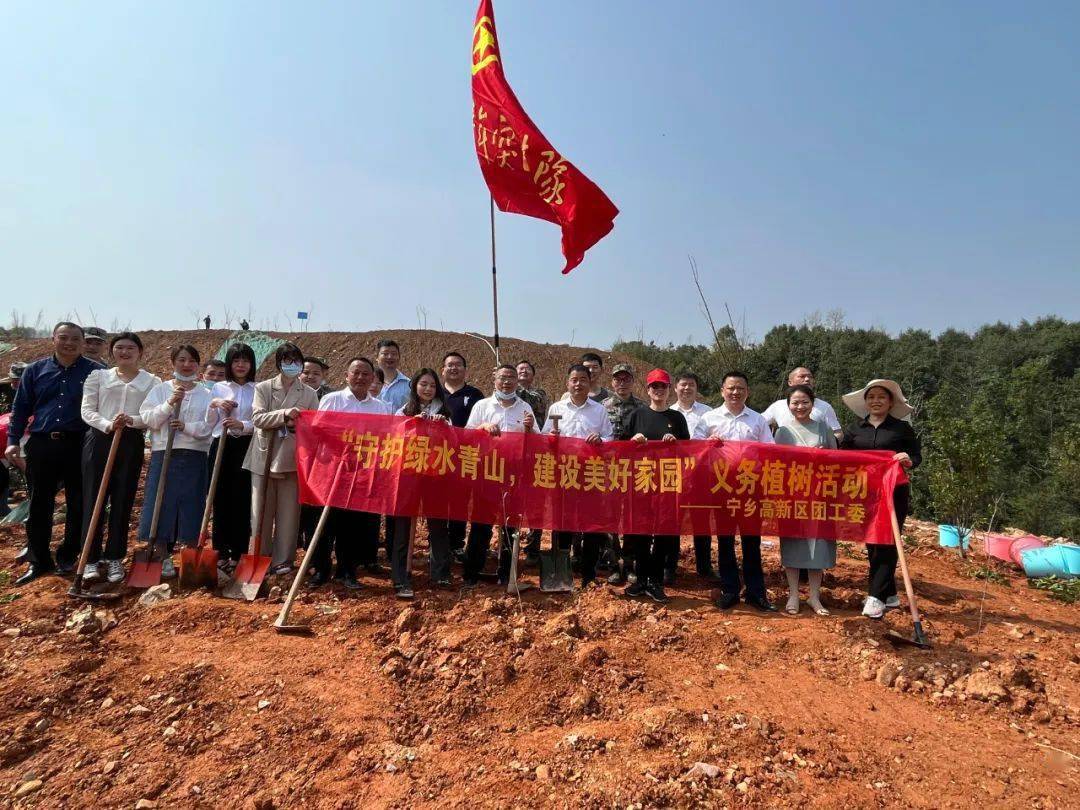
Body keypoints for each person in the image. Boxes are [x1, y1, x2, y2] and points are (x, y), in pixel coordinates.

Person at [6, 323, 102, 585]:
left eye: (75, 339)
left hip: (80, 445)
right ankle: (39, 561)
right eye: (63, 338)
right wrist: (13, 441)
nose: (69, 343)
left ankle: (68, 556)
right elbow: (21, 407)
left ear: (83, 342)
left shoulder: (97, 372)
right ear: (53, 339)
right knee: (39, 504)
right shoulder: (35, 370)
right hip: (42, 444)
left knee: (78, 503)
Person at [79, 332, 159, 583]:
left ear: (140, 352)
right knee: (94, 498)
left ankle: (115, 558)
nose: (125, 352)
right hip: (100, 440)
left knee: (123, 499)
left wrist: (132, 421)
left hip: (130, 442)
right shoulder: (99, 377)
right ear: (112, 351)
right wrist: (107, 424)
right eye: (120, 347)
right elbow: (87, 409)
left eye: (130, 348)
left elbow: (153, 414)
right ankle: (90, 559)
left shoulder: (152, 381)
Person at [840, 378, 921, 619]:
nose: (876, 401)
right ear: (866, 402)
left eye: (881, 397)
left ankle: (875, 597)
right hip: (865, 493)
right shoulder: (855, 429)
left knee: (888, 540)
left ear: (890, 402)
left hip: (894, 492)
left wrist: (908, 459)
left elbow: (916, 456)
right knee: (873, 542)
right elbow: (841, 457)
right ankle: (890, 594)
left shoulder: (901, 429)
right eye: (871, 397)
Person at [138, 345, 218, 578]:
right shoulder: (161, 390)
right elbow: (150, 419)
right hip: (165, 452)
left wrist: (186, 427)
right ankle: (161, 554)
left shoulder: (206, 394)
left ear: (197, 365)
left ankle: (190, 553)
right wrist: (170, 403)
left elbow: (208, 427)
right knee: (161, 502)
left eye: (192, 361)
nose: (186, 365)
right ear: (173, 362)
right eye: (182, 360)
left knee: (192, 502)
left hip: (194, 454)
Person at [702, 371, 777, 612]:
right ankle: (730, 590)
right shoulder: (709, 418)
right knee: (724, 540)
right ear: (722, 390)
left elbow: (770, 450)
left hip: (750, 488)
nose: (735, 392)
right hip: (721, 487)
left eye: (740, 388)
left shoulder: (757, 420)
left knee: (751, 541)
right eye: (731, 388)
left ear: (748, 392)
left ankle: (756, 593)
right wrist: (707, 443)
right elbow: (693, 449)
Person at [314, 357, 391, 588]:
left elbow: (386, 439)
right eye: (355, 373)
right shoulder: (332, 400)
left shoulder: (380, 407)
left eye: (365, 374)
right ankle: (321, 570)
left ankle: (347, 571)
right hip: (331, 471)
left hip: (361, 474)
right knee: (326, 524)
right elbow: (318, 431)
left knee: (353, 525)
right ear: (346, 375)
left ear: (372, 379)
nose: (360, 378)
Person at [244, 343, 319, 576]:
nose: (292, 366)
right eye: (287, 361)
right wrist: (285, 415)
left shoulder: (308, 393)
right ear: (279, 363)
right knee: (260, 511)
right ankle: (259, 556)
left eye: (296, 362)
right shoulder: (264, 388)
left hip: (292, 459)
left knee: (289, 514)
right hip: (263, 456)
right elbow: (257, 418)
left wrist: (294, 423)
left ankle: (283, 560)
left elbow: (312, 425)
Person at [463, 364, 536, 587]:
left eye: (511, 378)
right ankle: (471, 574)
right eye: (503, 377)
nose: (507, 382)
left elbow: (537, 440)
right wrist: (483, 426)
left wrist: (530, 428)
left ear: (517, 381)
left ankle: (506, 574)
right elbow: (466, 436)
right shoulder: (482, 405)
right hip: (487, 471)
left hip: (514, 474)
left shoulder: (525, 408)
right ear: (494, 379)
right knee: (481, 523)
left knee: (510, 525)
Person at [542, 363, 613, 587]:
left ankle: (589, 576)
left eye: (583, 379)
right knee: (563, 524)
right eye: (574, 380)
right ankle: (563, 575)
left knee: (591, 526)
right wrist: (551, 437)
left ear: (589, 382)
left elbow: (611, 438)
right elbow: (544, 438)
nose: (578, 384)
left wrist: (601, 440)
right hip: (563, 475)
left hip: (591, 475)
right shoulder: (556, 408)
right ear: (568, 383)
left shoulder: (599, 410)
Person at [623, 369, 689, 603]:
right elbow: (620, 448)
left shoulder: (677, 418)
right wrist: (633, 442)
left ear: (669, 389)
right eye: (654, 387)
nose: (658, 391)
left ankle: (656, 581)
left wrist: (676, 444)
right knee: (640, 532)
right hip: (641, 481)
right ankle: (641, 579)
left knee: (663, 533)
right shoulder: (636, 415)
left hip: (668, 484)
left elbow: (689, 452)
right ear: (648, 389)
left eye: (662, 387)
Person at [390, 368, 454, 598]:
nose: (427, 389)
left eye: (432, 385)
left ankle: (440, 573)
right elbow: (393, 440)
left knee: (438, 525)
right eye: (423, 384)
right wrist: (410, 426)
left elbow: (455, 443)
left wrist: (445, 427)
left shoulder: (445, 412)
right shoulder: (404, 411)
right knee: (403, 527)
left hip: (436, 477)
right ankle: (400, 578)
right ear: (415, 386)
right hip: (408, 475)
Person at [774, 384, 838, 615]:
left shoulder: (824, 428)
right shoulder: (782, 432)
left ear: (813, 403)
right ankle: (793, 595)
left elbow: (838, 461)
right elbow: (775, 465)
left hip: (820, 497)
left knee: (818, 547)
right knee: (793, 546)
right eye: (795, 402)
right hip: (793, 497)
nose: (799, 406)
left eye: (804, 402)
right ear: (788, 405)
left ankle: (814, 596)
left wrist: (825, 456)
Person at [208, 343, 257, 572]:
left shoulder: (258, 389)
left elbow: (260, 420)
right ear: (229, 363)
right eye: (236, 360)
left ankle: (239, 551)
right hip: (221, 445)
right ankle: (220, 550)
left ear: (251, 364)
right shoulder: (218, 387)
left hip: (246, 446)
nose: (240, 365)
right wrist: (215, 403)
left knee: (242, 499)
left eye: (245, 361)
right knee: (220, 499)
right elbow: (208, 421)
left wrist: (242, 424)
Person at [601, 363, 644, 585]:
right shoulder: (602, 407)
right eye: (618, 379)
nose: (622, 383)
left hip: (634, 472)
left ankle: (629, 564)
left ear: (632, 382)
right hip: (608, 471)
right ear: (612, 382)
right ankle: (612, 564)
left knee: (630, 518)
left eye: (626, 379)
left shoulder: (642, 407)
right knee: (609, 519)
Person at [672, 371, 717, 581]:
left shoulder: (709, 413)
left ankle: (704, 566)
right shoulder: (668, 411)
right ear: (675, 388)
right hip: (674, 474)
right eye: (683, 384)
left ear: (697, 389)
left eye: (691, 384)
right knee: (673, 520)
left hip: (702, 474)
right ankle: (669, 565)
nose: (687, 388)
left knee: (702, 520)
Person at [440, 351, 483, 562]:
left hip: (465, 455)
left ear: (465, 370)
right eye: (449, 365)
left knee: (460, 501)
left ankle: (456, 545)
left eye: (458, 365)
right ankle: (437, 545)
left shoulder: (475, 394)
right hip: (438, 455)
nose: (453, 368)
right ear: (443, 370)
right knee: (438, 501)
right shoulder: (435, 392)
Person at [515, 359, 549, 564]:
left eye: (527, 369)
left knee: (536, 502)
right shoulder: (509, 396)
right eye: (519, 369)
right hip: (514, 453)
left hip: (536, 454)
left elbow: (529, 400)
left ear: (533, 375)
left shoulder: (538, 394)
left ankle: (533, 548)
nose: (523, 371)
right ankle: (509, 547)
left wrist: (509, 382)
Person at [762, 367, 842, 437]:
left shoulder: (824, 407)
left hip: (815, 453)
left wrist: (827, 445)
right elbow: (758, 423)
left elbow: (837, 432)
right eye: (802, 376)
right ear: (790, 382)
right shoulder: (778, 406)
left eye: (810, 377)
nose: (807, 379)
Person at [376, 339, 410, 413]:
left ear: (399, 358)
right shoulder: (367, 383)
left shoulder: (409, 385)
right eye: (385, 354)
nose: (390, 357)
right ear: (377, 358)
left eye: (394, 354)